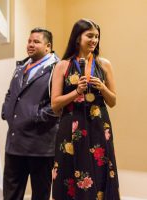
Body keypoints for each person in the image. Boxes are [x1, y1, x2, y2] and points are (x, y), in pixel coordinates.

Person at [51, 19, 120, 199]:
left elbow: (112, 101)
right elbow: (55, 104)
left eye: (97, 36)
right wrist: (76, 92)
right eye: (89, 35)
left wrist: (103, 88)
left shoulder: (104, 64)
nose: (94, 40)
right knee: (69, 170)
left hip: (98, 125)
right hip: (71, 125)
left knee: (100, 170)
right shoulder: (62, 65)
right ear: (77, 37)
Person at [1, 27, 59, 200]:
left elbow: (58, 103)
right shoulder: (21, 66)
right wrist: (6, 111)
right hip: (14, 142)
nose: (30, 45)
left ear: (48, 46)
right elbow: (11, 93)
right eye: (29, 41)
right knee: (11, 194)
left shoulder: (57, 68)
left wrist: (36, 116)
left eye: (36, 41)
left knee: (40, 194)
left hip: (40, 145)